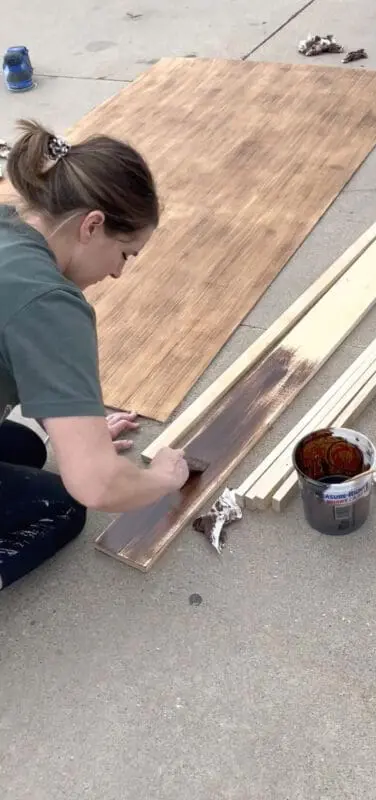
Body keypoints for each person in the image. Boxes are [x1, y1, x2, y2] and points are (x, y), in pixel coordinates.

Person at [0, 119, 190, 591]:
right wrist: (162, 480)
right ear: (92, 225)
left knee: (25, 447)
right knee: (63, 506)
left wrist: (74, 427)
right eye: (126, 254)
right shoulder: (49, 303)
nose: (119, 274)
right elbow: (99, 484)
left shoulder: (10, 226)